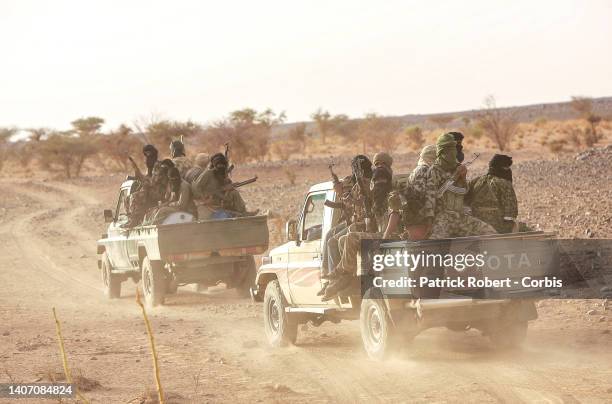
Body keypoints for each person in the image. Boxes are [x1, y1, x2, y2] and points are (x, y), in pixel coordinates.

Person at [322, 165, 401, 300]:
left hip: (391, 235)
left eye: (382, 181)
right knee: (342, 239)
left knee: (351, 237)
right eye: (376, 181)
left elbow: (394, 217)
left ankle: (344, 274)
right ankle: (347, 275)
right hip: (380, 233)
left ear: (387, 181)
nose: (378, 184)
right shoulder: (377, 197)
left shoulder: (392, 195)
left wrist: (385, 240)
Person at [423, 133, 496, 239]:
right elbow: (432, 197)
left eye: (453, 148)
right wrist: (429, 222)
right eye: (449, 149)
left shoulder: (457, 167)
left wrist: (463, 177)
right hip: (442, 218)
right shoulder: (434, 171)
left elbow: (464, 191)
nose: (453, 152)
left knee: (489, 232)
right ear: (441, 151)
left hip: (459, 216)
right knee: (435, 246)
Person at [466, 154, 523, 233]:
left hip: (476, 223)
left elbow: (465, 200)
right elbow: (511, 212)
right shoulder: (504, 183)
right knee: (523, 228)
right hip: (496, 226)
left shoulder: (476, 180)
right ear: (503, 168)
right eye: (507, 167)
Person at [191, 153, 248, 218]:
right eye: (219, 165)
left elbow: (222, 188)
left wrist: (230, 185)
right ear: (215, 166)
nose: (221, 167)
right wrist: (204, 199)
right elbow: (196, 187)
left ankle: (244, 213)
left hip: (219, 199)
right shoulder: (208, 173)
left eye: (223, 165)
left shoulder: (222, 174)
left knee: (234, 193)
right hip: (208, 203)